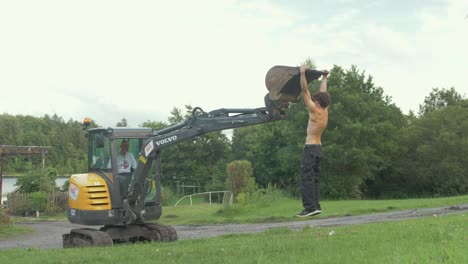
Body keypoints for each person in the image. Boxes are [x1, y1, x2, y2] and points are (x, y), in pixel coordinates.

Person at [297, 65, 330, 217]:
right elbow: (323, 93)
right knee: (315, 178)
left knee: (307, 178)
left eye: (315, 99)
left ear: (317, 102)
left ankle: (310, 208)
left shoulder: (314, 110)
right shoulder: (324, 111)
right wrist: (324, 78)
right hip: (319, 149)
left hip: (310, 149)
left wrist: (302, 73)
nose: (313, 100)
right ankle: (316, 206)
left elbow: (305, 91)